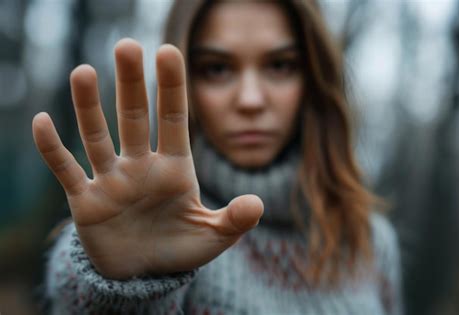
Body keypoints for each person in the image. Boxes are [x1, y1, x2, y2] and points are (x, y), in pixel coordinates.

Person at [32, 0, 403, 314]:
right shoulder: (148, 221)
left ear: (313, 79)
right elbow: (74, 287)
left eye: (280, 66)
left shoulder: (370, 240)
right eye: (217, 69)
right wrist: (118, 283)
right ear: (186, 80)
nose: (251, 100)